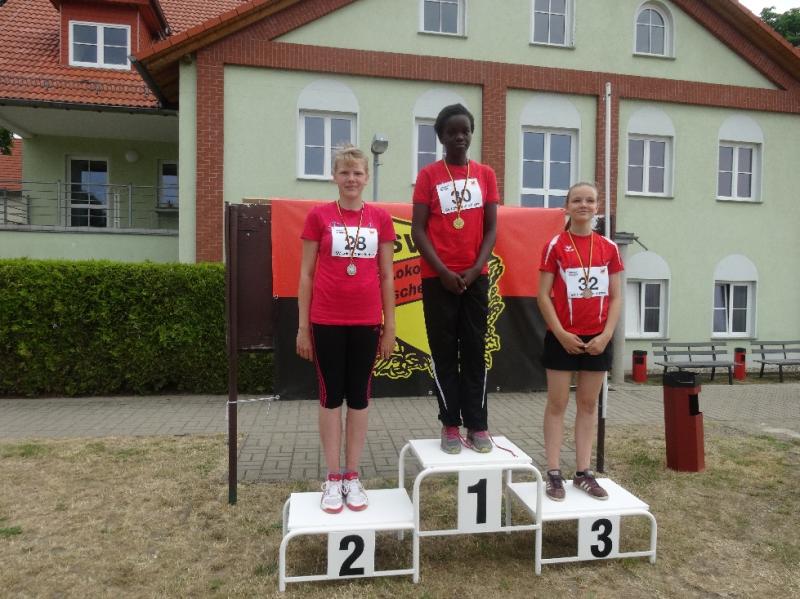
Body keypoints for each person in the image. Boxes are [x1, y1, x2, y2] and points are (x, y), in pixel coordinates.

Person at [296, 145, 396, 514]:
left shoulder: (380, 219)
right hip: (326, 321)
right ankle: (332, 476)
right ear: (334, 177)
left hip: (367, 321)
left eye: (357, 173)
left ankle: (352, 475)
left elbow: (387, 276)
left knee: (359, 397)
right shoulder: (318, 217)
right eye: (344, 172)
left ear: (366, 177)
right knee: (330, 397)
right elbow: (306, 275)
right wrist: (302, 327)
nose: (351, 179)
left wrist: (390, 326)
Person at [411, 103, 499, 454]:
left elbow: (491, 229)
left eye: (465, 131)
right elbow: (418, 230)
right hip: (438, 279)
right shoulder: (429, 175)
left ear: (471, 134)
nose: (459, 137)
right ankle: (449, 423)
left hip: (476, 277)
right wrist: (443, 272)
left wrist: (475, 269)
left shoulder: (485, 174)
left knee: (475, 351)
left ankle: (478, 424)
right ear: (441, 137)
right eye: (452, 132)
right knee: (444, 352)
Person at [537, 182, 623, 501]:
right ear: (567, 206)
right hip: (562, 336)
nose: (583, 205)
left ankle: (583, 472)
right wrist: (560, 333)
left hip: (598, 338)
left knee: (588, 405)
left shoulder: (609, 248)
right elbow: (542, 295)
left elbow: (616, 297)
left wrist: (606, 335)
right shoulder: (555, 245)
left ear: (597, 206)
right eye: (577, 200)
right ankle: (553, 472)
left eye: (589, 200)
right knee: (557, 403)